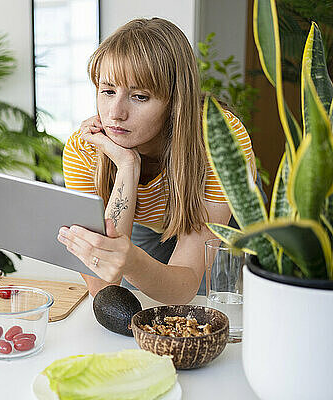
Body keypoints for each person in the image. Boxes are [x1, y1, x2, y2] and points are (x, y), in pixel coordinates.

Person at [57, 18, 259, 304]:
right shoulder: (85, 149)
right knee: (138, 295)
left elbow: (185, 284)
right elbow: (103, 286)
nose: (115, 113)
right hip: (147, 218)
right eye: (108, 90)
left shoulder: (221, 141)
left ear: (175, 101)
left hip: (216, 210)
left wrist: (130, 260)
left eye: (139, 96)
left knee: (207, 303)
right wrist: (127, 165)